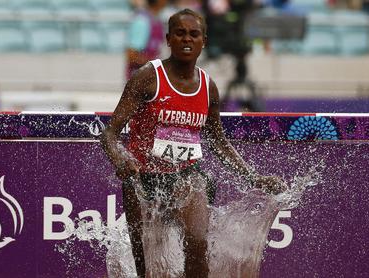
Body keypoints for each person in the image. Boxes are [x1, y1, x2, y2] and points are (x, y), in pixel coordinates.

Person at [100, 8, 286, 277]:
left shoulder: (208, 88)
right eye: (180, 33)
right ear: (168, 39)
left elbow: (218, 141)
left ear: (203, 42)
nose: (187, 39)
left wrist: (253, 178)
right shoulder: (147, 77)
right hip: (140, 179)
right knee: (146, 266)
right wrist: (120, 158)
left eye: (193, 34)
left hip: (185, 176)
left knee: (197, 242)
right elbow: (109, 134)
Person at [126, 0, 168, 79]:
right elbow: (131, 56)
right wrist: (156, 65)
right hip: (139, 80)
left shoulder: (158, 20)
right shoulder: (141, 21)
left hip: (152, 77)